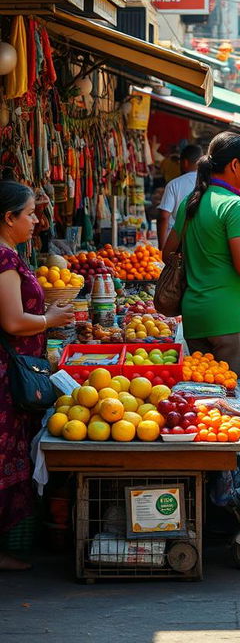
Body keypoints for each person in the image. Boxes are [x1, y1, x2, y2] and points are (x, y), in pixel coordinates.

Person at [162, 134, 240, 378]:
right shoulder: (234, 205)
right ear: (234, 165)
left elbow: (167, 253)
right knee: (237, 397)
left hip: (194, 315)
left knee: (207, 396)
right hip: (229, 318)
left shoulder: (191, 201)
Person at [0, 181, 76, 571]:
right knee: (6, 456)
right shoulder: (4, 259)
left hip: (18, 368)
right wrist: (49, 318)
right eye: (29, 213)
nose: (36, 220)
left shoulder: (11, 253)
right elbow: (12, 320)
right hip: (8, 374)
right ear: (8, 218)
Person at [156, 143, 202, 248]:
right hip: (202, 243)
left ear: (185, 162)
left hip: (178, 243)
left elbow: (163, 217)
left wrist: (162, 248)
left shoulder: (174, 184)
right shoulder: (209, 183)